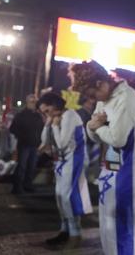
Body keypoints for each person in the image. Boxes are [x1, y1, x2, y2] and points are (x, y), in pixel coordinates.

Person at [70, 61, 135, 255]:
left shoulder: (127, 97)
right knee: (108, 222)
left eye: (92, 94)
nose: (92, 99)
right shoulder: (104, 99)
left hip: (132, 168)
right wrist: (93, 127)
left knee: (125, 224)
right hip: (111, 166)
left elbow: (118, 139)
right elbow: (94, 135)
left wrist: (96, 126)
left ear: (100, 83)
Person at [37, 92, 93, 249]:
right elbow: (44, 141)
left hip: (76, 159)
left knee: (67, 196)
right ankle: (65, 230)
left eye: (47, 111)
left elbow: (61, 143)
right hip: (62, 161)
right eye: (43, 113)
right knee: (60, 196)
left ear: (55, 106)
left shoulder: (70, 116)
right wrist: (48, 124)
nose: (46, 115)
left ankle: (75, 233)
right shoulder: (56, 118)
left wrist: (54, 125)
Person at [9, 94, 44, 194]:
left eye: (35, 102)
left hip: (34, 145)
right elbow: (13, 129)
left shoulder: (38, 116)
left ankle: (27, 185)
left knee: (31, 166)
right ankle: (17, 187)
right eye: (32, 102)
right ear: (27, 102)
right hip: (24, 144)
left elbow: (41, 129)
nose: (34, 104)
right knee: (22, 166)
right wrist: (22, 136)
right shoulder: (21, 115)